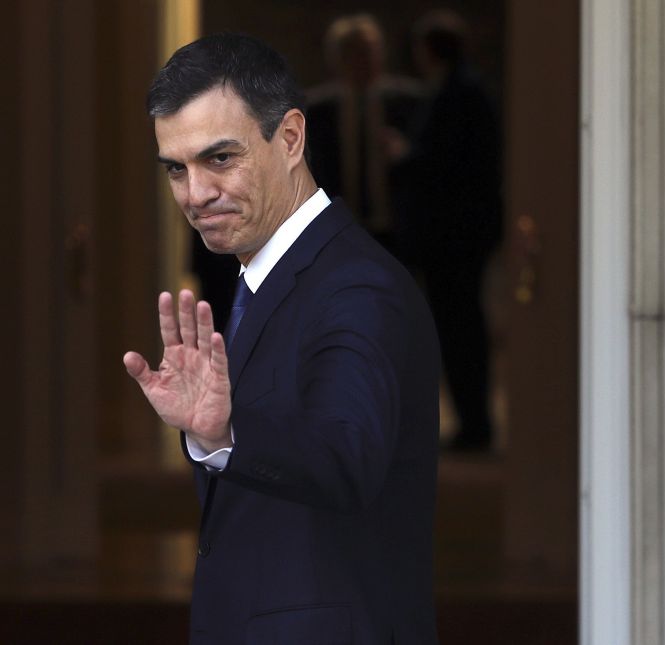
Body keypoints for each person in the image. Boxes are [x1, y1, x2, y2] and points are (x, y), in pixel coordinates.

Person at [122, 33, 440, 645]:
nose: (195, 193)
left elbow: (348, 457)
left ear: (290, 139)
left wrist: (226, 433)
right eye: (176, 169)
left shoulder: (356, 287)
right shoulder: (262, 277)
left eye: (220, 158)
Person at [397, 10, 504, 451]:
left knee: (461, 331)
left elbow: (451, 164)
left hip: (455, 237)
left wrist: (407, 154)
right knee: (459, 329)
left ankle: (475, 424)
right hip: (458, 236)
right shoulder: (461, 89)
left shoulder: (459, 94)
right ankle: (472, 420)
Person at [306, 13, 422, 260]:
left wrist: (405, 153)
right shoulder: (315, 112)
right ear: (337, 58)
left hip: (397, 234)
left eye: (371, 51)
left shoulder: (410, 104)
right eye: (355, 53)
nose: (365, 60)